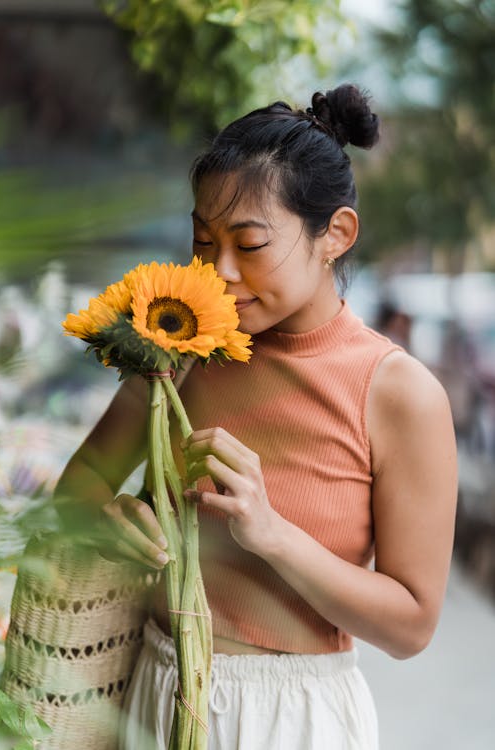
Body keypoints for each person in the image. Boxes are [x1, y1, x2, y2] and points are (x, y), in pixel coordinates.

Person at [54, 84, 457, 750]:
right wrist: (106, 520)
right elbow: (87, 476)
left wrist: (271, 533)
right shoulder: (179, 342)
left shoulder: (398, 393)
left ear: (336, 234)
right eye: (203, 242)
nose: (221, 272)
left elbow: (412, 625)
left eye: (250, 244)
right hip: (151, 689)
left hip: (292, 718)